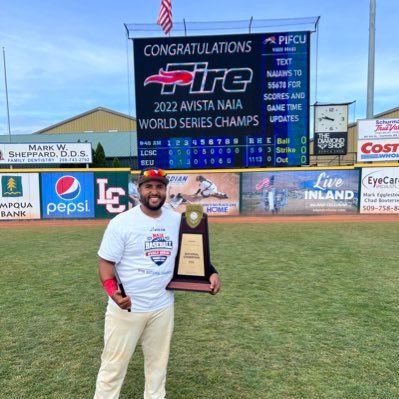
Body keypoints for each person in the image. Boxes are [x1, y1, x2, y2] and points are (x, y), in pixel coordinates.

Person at [94, 167, 221, 399]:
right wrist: (113, 293)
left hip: (162, 307)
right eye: (148, 186)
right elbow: (105, 264)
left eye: (159, 187)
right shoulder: (122, 222)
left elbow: (191, 253)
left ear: (165, 191)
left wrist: (210, 272)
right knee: (113, 368)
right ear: (139, 190)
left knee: (157, 369)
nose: (154, 191)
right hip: (128, 309)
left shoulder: (177, 221)